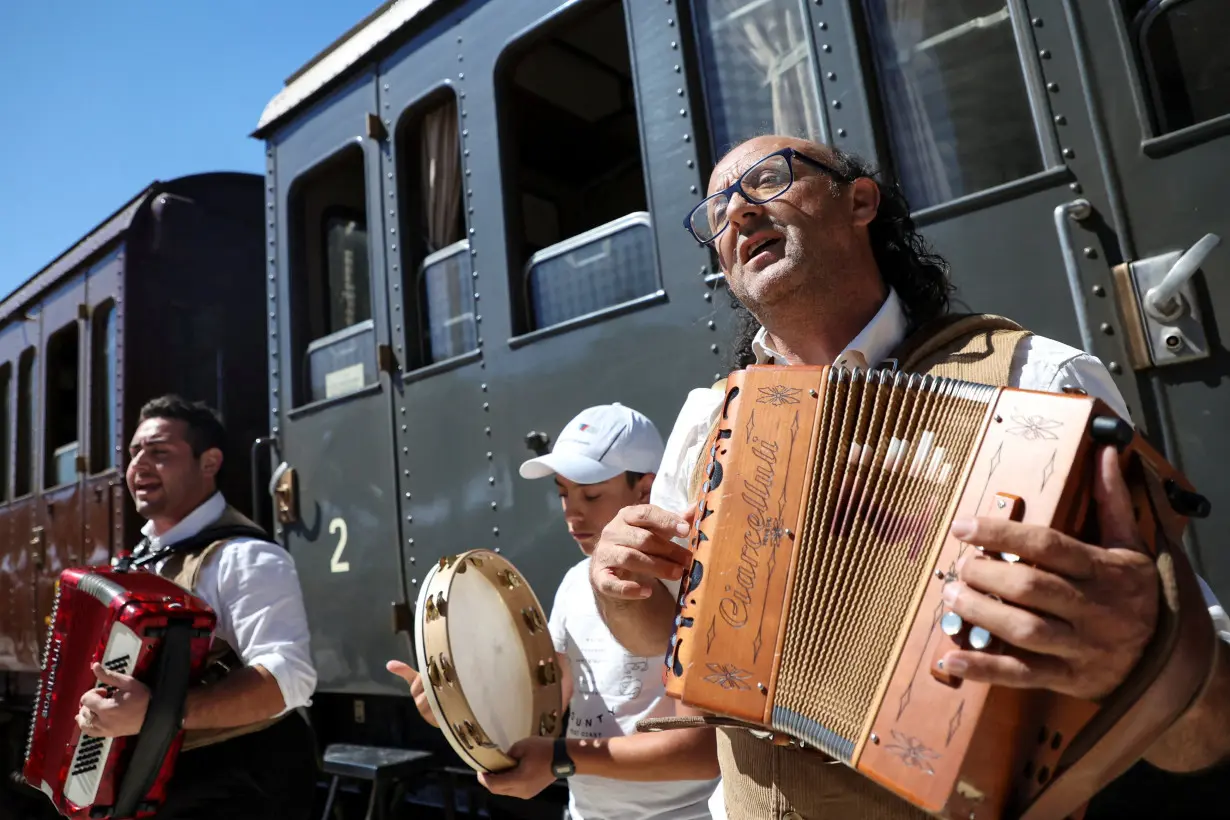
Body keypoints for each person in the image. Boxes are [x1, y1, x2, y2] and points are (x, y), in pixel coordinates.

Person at [585, 135, 1230, 818]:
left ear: (861, 201)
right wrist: (619, 591)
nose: (738, 212)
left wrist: (1144, 655)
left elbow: (1207, 727)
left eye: (768, 180)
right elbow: (661, 638)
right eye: (716, 211)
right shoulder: (707, 418)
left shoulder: (1039, 382)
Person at [389, 403, 720, 819]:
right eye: (563, 493)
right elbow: (539, 710)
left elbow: (702, 750)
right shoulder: (573, 584)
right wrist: (450, 705)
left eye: (591, 494)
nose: (571, 512)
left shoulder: (690, 582)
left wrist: (561, 758)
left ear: (645, 490)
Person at [75, 395, 319, 820]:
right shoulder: (138, 560)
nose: (140, 465)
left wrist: (157, 714)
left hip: (236, 786)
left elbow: (290, 676)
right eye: (135, 453)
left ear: (209, 463)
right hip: (158, 788)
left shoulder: (246, 557)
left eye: (159, 452)